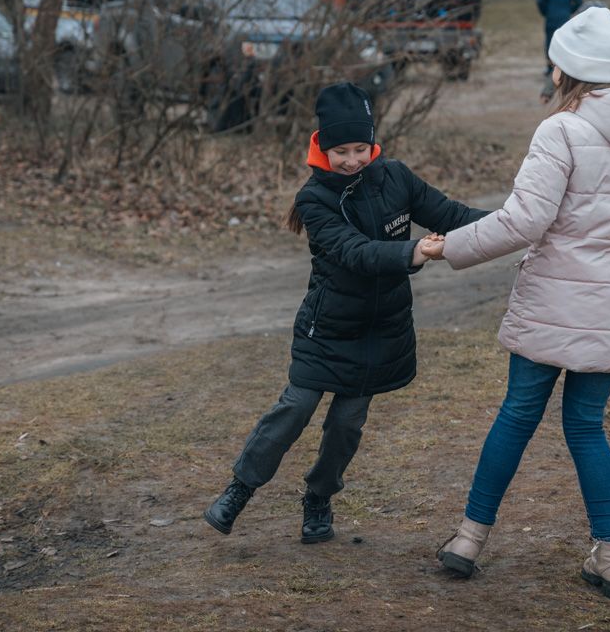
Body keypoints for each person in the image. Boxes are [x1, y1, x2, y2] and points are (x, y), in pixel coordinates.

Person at [422, 7, 610, 599]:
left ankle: (468, 540)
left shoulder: (560, 129)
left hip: (554, 301)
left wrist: (448, 246)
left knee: (517, 415)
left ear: (564, 70)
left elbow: (523, 221)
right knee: (585, 426)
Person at [203, 82, 488, 542]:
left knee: (347, 423)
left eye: (360, 149)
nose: (353, 160)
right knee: (294, 408)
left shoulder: (396, 177)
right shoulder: (313, 200)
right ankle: (241, 487)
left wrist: (514, 221)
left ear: (372, 143)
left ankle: (319, 497)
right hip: (329, 328)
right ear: (323, 147)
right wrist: (416, 251)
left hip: (383, 329)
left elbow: (452, 214)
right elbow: (355, 252)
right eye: (341, 151)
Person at [536, 0, 583, 75]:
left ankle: (550, 68)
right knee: (564, 43)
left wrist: (545, 12)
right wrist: (569, 10)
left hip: (551, 19)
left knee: (550, 42)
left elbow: (540, 0)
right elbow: (579, 2)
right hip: (565, 20)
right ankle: (563, 68)